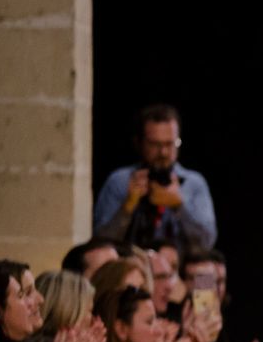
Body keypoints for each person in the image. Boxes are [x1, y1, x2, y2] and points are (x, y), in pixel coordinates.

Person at [93, 104, 217, 251]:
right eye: (155, 144)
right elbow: (100, 245)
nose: (163, 152)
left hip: (178, 270)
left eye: (170, 144)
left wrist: (179, 206)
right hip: (130, 268)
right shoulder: (120, 181)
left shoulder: (193, 183)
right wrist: (128, 206)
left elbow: (206, 244)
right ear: (139, 143)